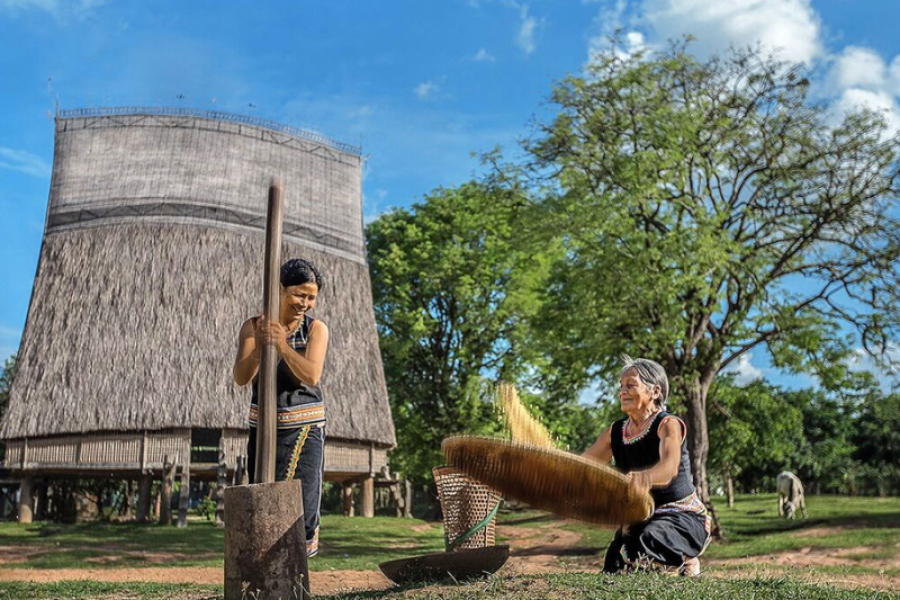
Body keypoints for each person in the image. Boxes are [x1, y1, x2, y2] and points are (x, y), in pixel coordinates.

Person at [232, 258, 330, 558]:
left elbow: (311, 375)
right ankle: (268, 574)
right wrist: (262, 349)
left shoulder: (315, 330)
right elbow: (241, 376)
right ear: (280, 289)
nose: (305, 302)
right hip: (263, 428)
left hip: (303, 426)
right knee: (263, 499)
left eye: (311, 297)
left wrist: (283, 346)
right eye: (300, 294)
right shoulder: (254, 326)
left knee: (302, 506)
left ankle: (295, 571)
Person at [582, 357, 710, 576]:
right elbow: (584, 467)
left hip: (682, 517)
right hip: (641, 516)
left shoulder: (668, 424)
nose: (622, 391)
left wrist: (644, 478)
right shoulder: (616, 431)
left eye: (631, 385)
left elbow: (669, 468)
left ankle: (687, 558)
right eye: (621, 386)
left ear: (655, 391)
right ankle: (669, 560)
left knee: (649, 542)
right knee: (616, 562)